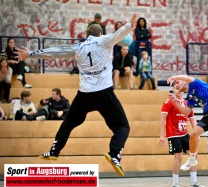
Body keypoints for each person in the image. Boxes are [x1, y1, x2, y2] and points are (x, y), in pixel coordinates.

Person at [15, 14, 137, 177]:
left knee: (70, 122)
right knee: (122, 126)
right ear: (100, 34)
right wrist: (129, 26)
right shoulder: (104, 40)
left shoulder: (79, 47)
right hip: (104, 93)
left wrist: (31, 54)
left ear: (87, 35)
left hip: (84, 95)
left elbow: (56, 52)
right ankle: (114, 154)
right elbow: (119, 35)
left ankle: (54, 151)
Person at [160, 83, 207, 187]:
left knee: (193, 156)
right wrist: (162, 135)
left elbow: (192, 120)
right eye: (176, 87)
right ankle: (174, 184)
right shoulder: (169, 102)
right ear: (173, 89)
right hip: (173, 134)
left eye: (180, 88)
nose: (179, 89)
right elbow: (162, 119)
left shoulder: (187, 103)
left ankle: (194, 183)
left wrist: (197, 133)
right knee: (179, 157)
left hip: (184, 133)